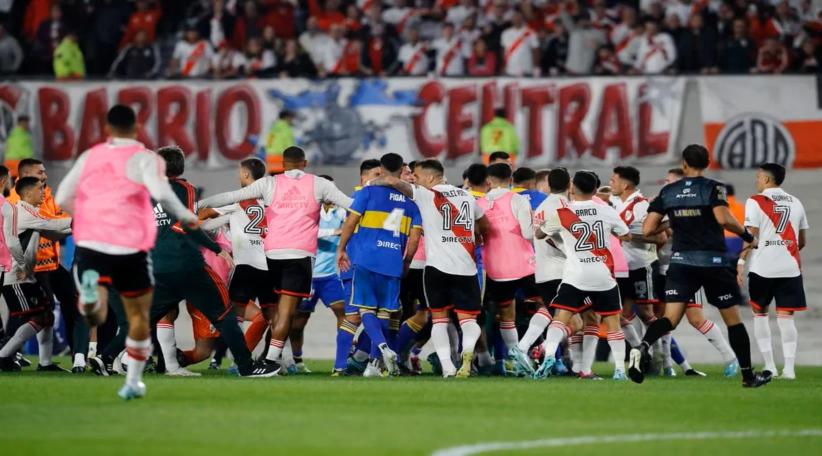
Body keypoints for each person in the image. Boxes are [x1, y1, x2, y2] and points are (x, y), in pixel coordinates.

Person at [56, 105, 200, 399]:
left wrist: (88, 218)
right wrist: (186, 215)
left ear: (107, 129)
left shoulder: (90, 156)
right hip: (130, 246)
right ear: (137, 128)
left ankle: (90, 295)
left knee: (96, 313)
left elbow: (62, 198)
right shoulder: (146, 158)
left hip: (93, 244)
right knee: (139, 316)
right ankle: (133, 382)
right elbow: (162, 195)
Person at [627, 144, 771, 388]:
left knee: (670, 318)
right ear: (708, 163)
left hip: (680, 263)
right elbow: (723, 218)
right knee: (733, 320)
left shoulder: (668, 191)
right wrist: (748, 236)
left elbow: (649, 228)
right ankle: (748, 376)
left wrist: (674, 220)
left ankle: (642, 346)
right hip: (712, 262)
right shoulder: (713, 187)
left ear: (684, 163)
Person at [198, 146, 352, 372]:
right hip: (298, 256)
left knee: (261, 313)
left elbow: (230, 197)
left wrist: (196, 204)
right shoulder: (319, 183)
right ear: (305, 163)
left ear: (282, 164)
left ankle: (251, 359)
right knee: (284, 313)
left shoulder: (268, 183)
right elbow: (352, 205)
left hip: (270, 257)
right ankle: (271, 360)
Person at [148, 146, 277, 379]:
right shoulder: (266, 204)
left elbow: (202, 217)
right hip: (202, 272)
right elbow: (193, 223)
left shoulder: (153, 194)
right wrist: (215, 245)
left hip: (169, 267)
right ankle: (246, 365)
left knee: (165, 324)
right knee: (230, 317)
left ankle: (115, 357)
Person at [370, 159, 489, 378]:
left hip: (437, 269)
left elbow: (395, 183)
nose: (414, 180)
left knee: (439, 320)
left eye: (417, 176)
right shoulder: (467, 196)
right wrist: (478, 237)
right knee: (468, 320)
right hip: (466, 268)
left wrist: (375, 182)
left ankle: (447, 367)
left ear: (431, 177)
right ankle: (467, 352)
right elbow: (485, 224)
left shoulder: (426, 194)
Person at [532, 171, 631, 380]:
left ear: (572, 188)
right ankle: (620, 370)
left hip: (575, 276)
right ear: (595, 190)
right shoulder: (606, 210)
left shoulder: (563, 213)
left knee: (560, 319)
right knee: (612, 323)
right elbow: (627, 235)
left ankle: (549, 355)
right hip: (603, 275)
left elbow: (539, 234)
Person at [337, 153, 422, 377]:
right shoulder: (412, 204)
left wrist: (341, 248)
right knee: (386, 313)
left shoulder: (367, 193)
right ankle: (373, 365)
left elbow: (351, 222)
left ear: (381, 170)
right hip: (393, 262)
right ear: (400, 171)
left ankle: (383, 349)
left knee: (365, 310)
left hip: (366, 259)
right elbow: (414, 239)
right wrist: (406, 262)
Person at [9, 159, 87, 373]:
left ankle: (76, 357)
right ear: (26, 174)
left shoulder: (46, 193)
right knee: (32, 315)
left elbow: (57, 220)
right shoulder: (16, 200)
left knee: (69, 307)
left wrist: (71, 222)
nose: (45, 175)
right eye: (40, 172)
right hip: (30, 268)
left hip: (51, 264)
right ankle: (7, 355)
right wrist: (79, 221)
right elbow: (48, 223)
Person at [740, 163, 808, 380]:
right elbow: (802, 241)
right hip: (790, 267)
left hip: (763, 267)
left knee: (760, 315)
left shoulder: (755, 201)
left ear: (767, 179)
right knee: (786, 318)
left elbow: (751, 234)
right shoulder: (796, 202)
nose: (756, 181)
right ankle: (789, 369)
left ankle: (770, 366)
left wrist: (740, 262)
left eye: (758, 177)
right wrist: (784, 249)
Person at [198, 158, 272, 357]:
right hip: (269, 265)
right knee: (271, 316)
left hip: (245, 265)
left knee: (235, 312)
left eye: (240, 172)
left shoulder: (239, 201)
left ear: (246, 174)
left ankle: (238, 359)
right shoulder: (272, 200)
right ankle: (278, 359)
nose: (238, 175)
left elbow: (204, 215)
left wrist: (201, 215)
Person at [0, 177, 72, 372]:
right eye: (40, 189)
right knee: (39, 318)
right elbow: (54, 225)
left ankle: (45, 363)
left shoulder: (30, 212)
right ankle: (4, 355)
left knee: (47, 315)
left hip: (26, 276)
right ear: (27, 193)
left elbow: (53, 233)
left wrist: (76, 228)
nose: (44, 192)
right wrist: (80, 219)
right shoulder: (23, 212)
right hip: (17, 276)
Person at [477, 164, 537, 371]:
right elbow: (528, 234)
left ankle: (513, 356)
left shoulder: (479, 203)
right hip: (524, 265)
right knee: (547, 306)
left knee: (505, 313)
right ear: (510, 179)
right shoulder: (518, 200)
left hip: (494, 268)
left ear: (489, 181)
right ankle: (522, 349)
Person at [292, 175, 348, 373]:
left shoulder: (341, 211)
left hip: (330, 276)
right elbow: (305, 232)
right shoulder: (307, 210)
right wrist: (334, 232)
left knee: (343, 312)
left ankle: (344, 358)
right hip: (307, 275)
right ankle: (297, 361)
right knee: (298, 322)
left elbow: (350, 229)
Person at [608, 167, 665, 350]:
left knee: (646, 313)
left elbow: (661, 238)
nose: (610, 184)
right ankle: (639, 352)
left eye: (613, 181)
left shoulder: (641, 205)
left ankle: (661, 357)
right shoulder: (614, 202)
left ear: (625, 185)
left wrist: (629, 235)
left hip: (642, 265)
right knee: (621, 313)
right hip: (622, 268)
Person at [501, 10, 540, 77]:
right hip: (510, 69)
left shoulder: (530, 32)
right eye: (515, 17)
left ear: (522, 19)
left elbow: (536, 50)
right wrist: (503, 65)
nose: (517, 19)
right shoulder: (505, 33)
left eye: (518, 17)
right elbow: (503, 51)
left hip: (527, 68)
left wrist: (536, 66)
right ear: (511, 19)